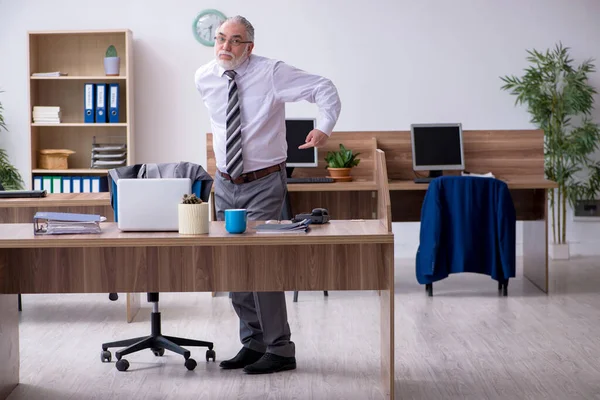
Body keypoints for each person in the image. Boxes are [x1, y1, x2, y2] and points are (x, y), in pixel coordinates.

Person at [194, 15, 341, 374]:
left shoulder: (271, 72)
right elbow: (222, 125)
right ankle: (254, 342)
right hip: (226, 182)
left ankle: (281, 349)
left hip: (263, 181)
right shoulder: (204, 77)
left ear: (249, 46)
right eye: (220, 39)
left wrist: (323, 128)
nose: (225, 47)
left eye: (235, 40)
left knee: (262, 263)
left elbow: (324, 88)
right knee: (234, 267)